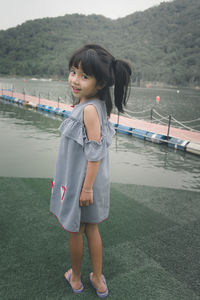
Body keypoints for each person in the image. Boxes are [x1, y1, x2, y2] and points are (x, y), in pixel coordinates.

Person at [50, 44, 131, 298]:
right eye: (74, 71)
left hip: (84, 183)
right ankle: (98, 279)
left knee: (77, 230)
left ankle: (75, 277)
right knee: (91, 229)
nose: (75, 80)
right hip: (88, 181)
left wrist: (85, 189)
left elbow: (94, 153)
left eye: (84, 76)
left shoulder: (88, 110)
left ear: (101, 83)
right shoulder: (96, 105)